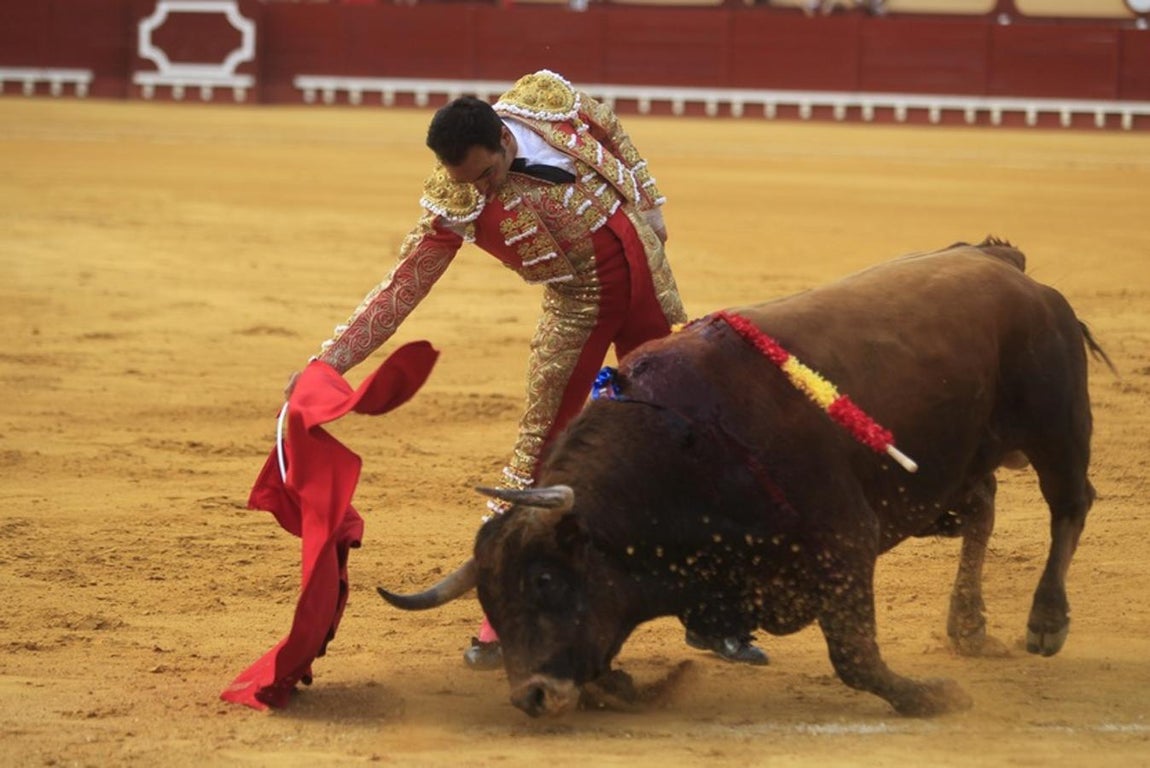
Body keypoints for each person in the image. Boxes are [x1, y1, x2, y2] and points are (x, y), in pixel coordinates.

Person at [286, 69, 767, 670]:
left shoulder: (544, 101)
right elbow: (402, 287)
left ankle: (715, 615)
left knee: (691, 439)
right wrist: (330, 360)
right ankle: (502, 616)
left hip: (648, 283)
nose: (482, 190)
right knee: (541, 454)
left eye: (487, 173)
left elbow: (611, 128)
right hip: (579, 310)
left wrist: (649, 202)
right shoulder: (457, 199)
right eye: (468, 181)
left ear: (505, 137)